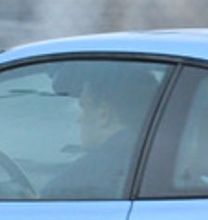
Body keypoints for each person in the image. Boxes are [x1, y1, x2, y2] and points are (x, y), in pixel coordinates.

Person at [41, 67, 160, 199]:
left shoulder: (72, 185)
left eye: (84, 107)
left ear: (104, 114)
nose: (79, 118)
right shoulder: (163, 158)